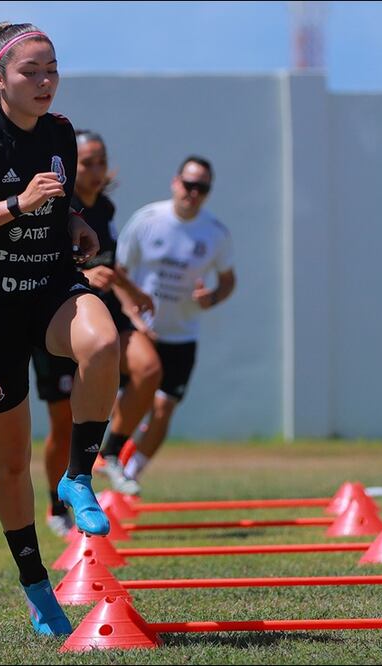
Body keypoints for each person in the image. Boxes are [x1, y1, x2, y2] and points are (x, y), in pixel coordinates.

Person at [0, 22, 121, 636]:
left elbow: (58, 199)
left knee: (104, 341)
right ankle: (38, 589)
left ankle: (78, 475)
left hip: (48, 291)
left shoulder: (61, 132)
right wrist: (18, 205)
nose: (45, 81)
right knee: (10, 463)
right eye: (30, 72)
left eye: (52, 69)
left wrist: (74, 223)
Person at [33, 130, 161, 527]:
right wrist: (85, 273)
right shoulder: (56, 207)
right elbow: (43, 264)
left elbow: (109, 263)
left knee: (149, 368)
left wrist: (133, 293)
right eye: (86, 162)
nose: (95, 170)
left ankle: (110, 451)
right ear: (70, 167)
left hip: (104, 313)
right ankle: (57, 504)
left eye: (100, 162)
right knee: (60, 424)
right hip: (61, 317)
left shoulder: (103, 208)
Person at [108, 156, 236, 487]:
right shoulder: (148, 219)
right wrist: (131, 313)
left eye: (202, 188)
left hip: (182, 335)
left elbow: (228, 280)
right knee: (126, 401)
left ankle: (129, 473)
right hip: (141, 332)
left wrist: (212, 297)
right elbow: (117, 273)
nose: (193, 193)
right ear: (175, 182)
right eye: (189, 184)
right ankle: (107, 454)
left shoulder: (215, 233)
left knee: (164, 409)